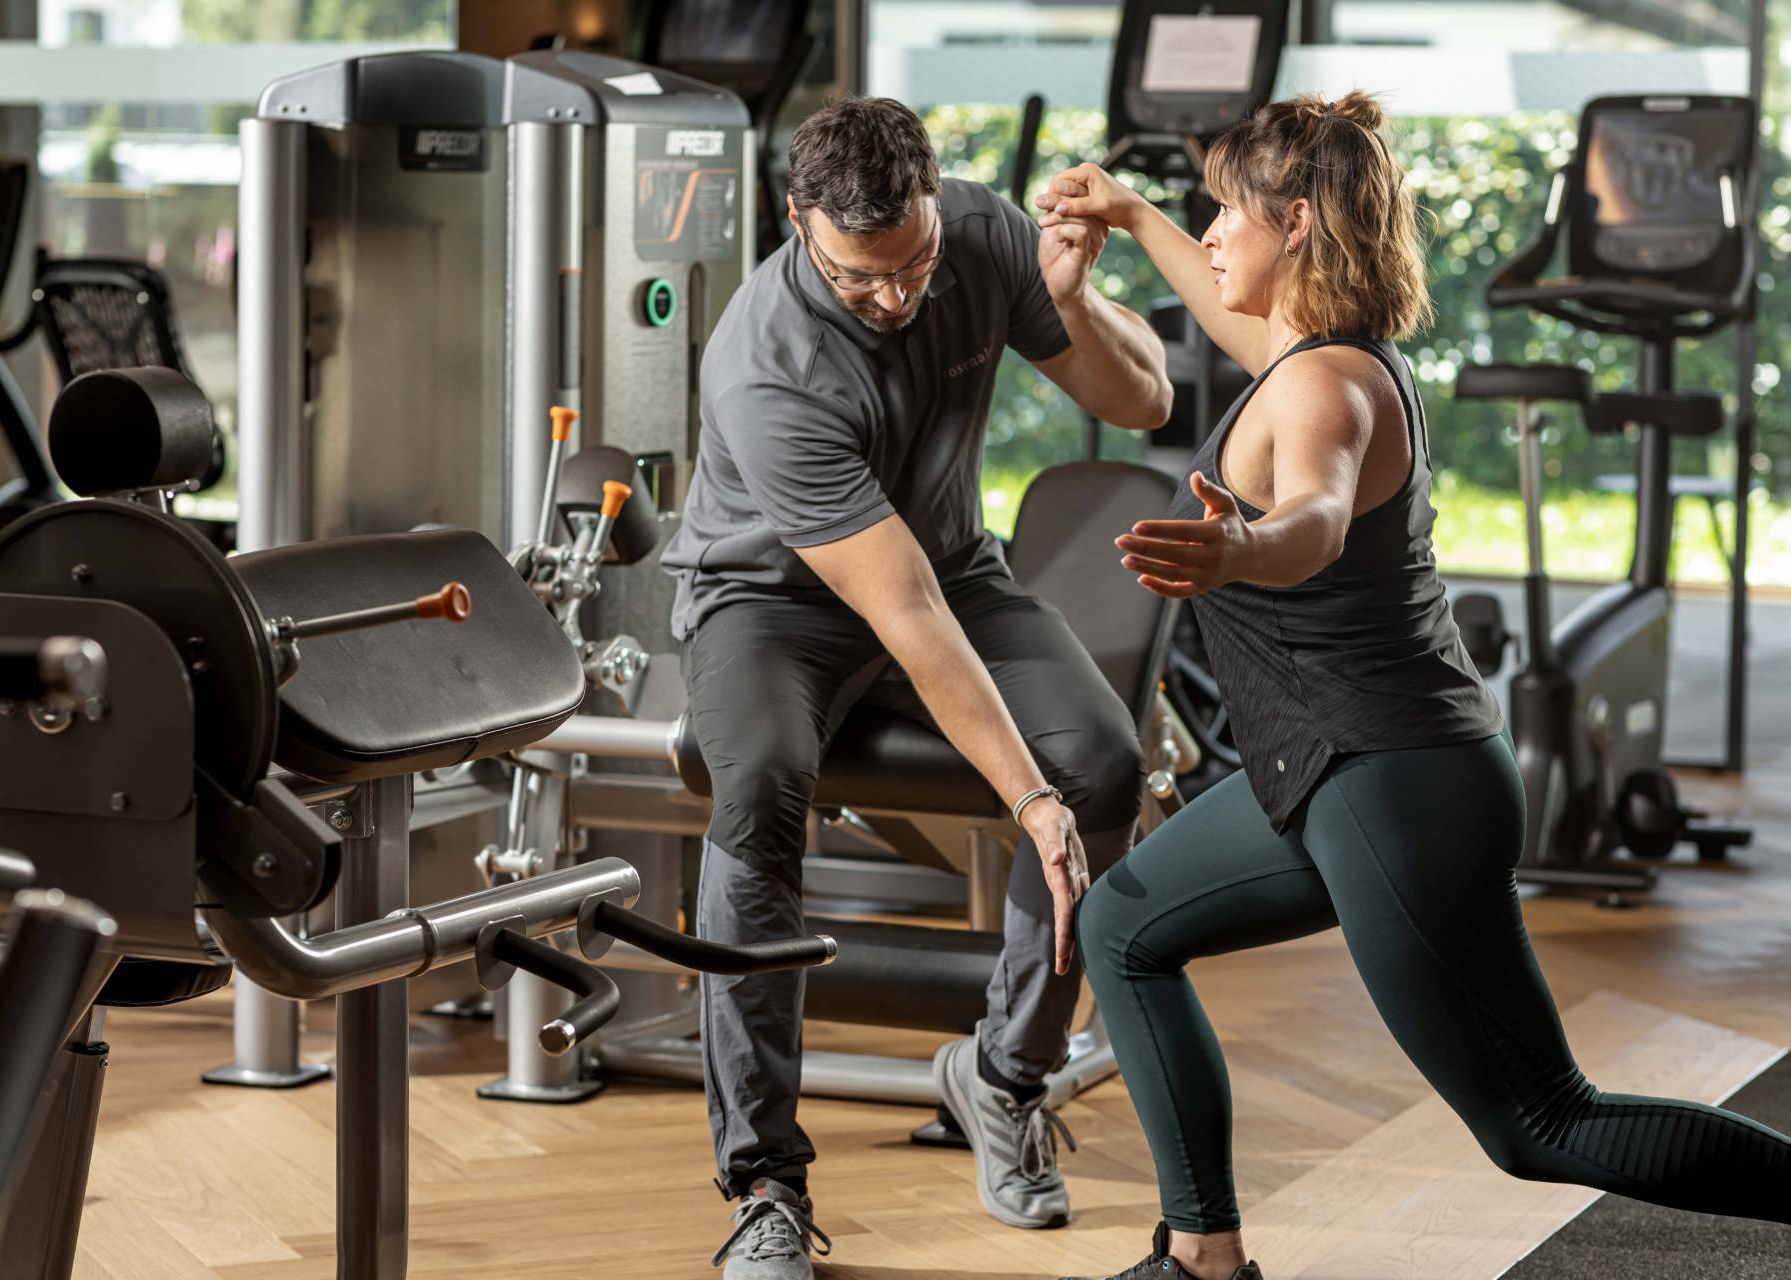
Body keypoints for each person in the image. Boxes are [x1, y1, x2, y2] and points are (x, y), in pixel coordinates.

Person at [1033, 90, 1791, 1280]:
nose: (1211, 234)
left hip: (1393, 783)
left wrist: (1243, 548)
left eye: (1225, 212)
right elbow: (1231, 313)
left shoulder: (1325, 389)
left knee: (1542, 1122)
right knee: (1128, 924)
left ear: (1296, 223)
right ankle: (1201, 1258)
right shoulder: (1306, 353)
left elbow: (1317, 521)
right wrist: (1130, 215)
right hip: (1338, 771)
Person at [658, 95, 1174, 1278]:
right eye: (861, 278)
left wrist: (1077, 297)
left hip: (950, 566)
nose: (894, 297)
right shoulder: (766, 361)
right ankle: (764, 1184)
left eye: (914, 265)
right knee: (761, 789)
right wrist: (1025, 800)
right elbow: (901, 615)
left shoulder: (987, 237)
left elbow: (1141, 399)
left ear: (939, 199)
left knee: (1104, 762)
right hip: (773, 604)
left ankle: (1002, 1074)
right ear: (797, 223)